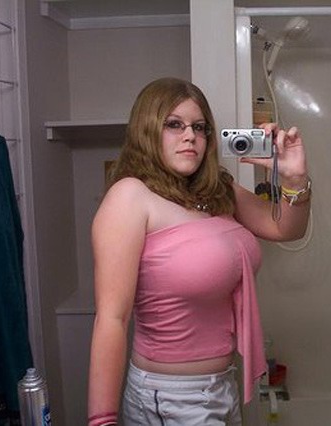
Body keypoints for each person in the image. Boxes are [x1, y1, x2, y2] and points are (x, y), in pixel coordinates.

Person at [87, 77, 311, 426]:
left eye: (199, 127)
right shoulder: (131, 196)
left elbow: (286, 228)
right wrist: (101, 420)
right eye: (174, 124)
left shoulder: (217, 189)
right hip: (169, 397)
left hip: (221, 387)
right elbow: (112, 318)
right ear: (147, 129)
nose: (190, 135)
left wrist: (294, 179)